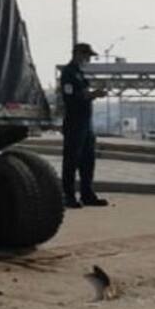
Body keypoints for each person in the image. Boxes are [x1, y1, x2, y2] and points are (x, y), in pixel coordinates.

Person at [59, 42, 108, 208]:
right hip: (74, 122)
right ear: (78, 53)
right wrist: (92, 94)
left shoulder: (80, 73)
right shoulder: (69, 73)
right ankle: (68, 195)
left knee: (88, 159)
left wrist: (93, 94)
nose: (88, 59)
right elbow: (71, 97)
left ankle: (87, 193)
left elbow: (83, 93)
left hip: (86, 123)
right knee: (72, 160)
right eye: (87, 55)